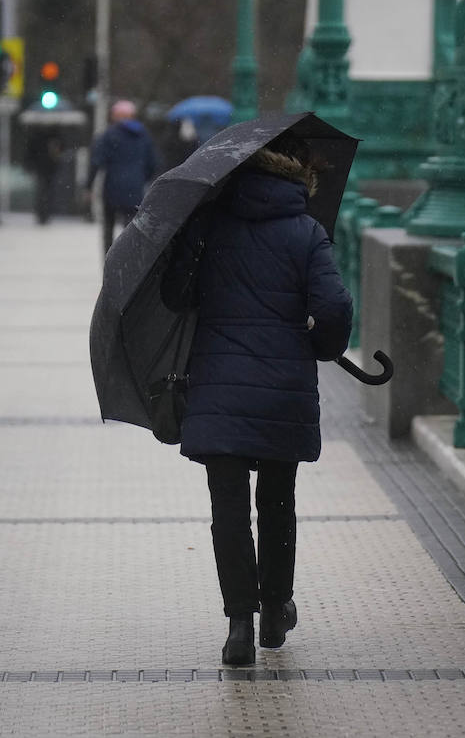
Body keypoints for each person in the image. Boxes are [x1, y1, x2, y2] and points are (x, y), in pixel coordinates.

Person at [162, 133, 353, 666]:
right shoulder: (307, 231)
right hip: (281, 389)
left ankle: (238, 628)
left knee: (227, 509)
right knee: (276, 501)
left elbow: (176, 297)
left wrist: (188, 243)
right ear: (299, 176)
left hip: (218, 386)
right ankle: (275, 610)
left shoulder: (210, 224)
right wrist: (322, 345)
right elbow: (333, 306)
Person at [86, 100, 158, 254]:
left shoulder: (108, 135)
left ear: (114, 116)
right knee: (131, 229)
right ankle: (128, 262)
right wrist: (141, 178)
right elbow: (153, 163)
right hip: (135, 189)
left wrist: (88, 186)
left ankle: (108, 260)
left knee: (108, 228)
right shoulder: (144, 135)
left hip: (112, 188)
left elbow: (96, 162)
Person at [23, 123, 65, 225]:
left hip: (44, 168)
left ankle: (43, 213)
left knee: (43, 192)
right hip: (47, 168)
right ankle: (44, 213)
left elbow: (30, 152)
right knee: (45, 192)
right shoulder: (53, 136)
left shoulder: (39, 136)